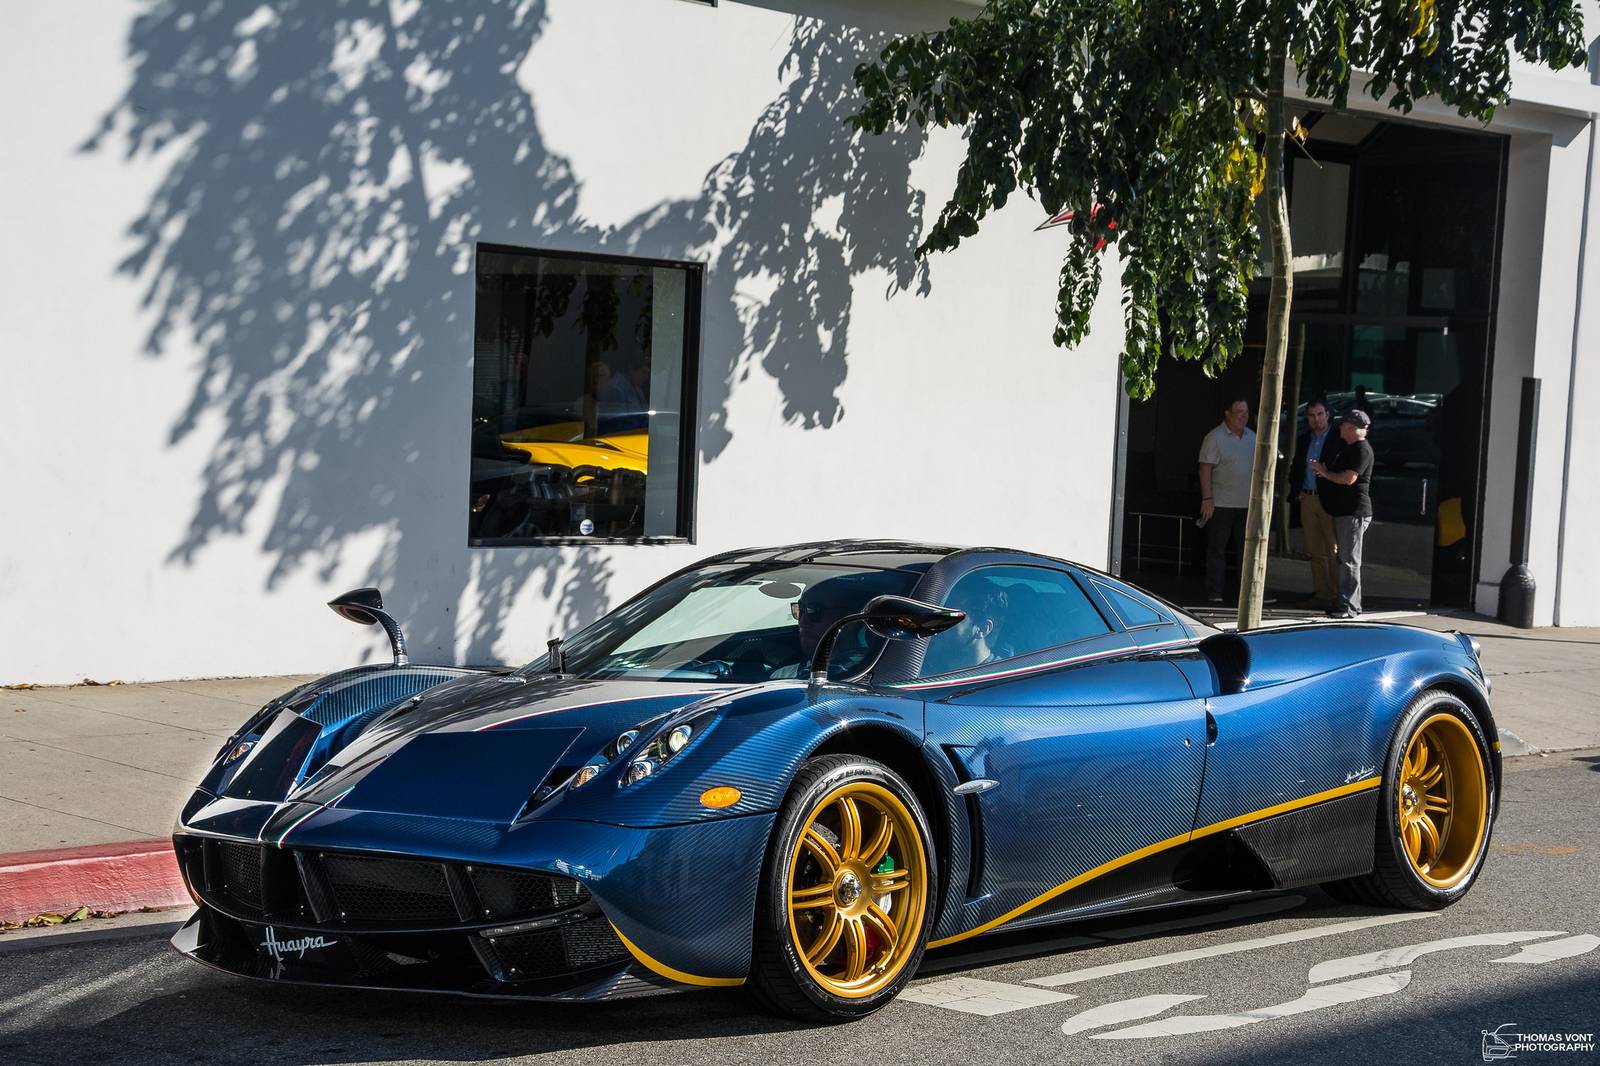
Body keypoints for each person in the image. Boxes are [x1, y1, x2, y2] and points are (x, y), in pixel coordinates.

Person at [1311, 409, 1375, 618]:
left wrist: (1324, 472)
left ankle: (1349, 608)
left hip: (1354, 512)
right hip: (1345, 512)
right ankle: (1347, 604)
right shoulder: (1350, 448)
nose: (1340, 428)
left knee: (1349, 560)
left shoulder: (1362, 450)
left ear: (1352, 427)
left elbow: (1348, 478)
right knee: (1346, 558)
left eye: (1344, 425)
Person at [1198, 398, 1256, 605]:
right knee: (1217, 550)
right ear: (1227, 414)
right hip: (1220, 504)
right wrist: (1207, 499)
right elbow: (1205, 469)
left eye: (1246, 412)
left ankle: (1247, 594)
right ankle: (1215, 591)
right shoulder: (1214, 437)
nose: (1243, 416)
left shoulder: (1253, 437)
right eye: (1239, 412)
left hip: (1247, 505)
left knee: (1247, 552)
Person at [1288, 398, 1339, 610]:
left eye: (1319, 414)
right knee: (1315, 550)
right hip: (1307, 497)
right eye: (1311, 415)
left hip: (1329, 499)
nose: (1316, 419)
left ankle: (1337, 596)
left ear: (1327, 414)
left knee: (1333, 549)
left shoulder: (1337, 438)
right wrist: (1297, 490)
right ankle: (1321, 593)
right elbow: (1297, 465)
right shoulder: (1304, 439)